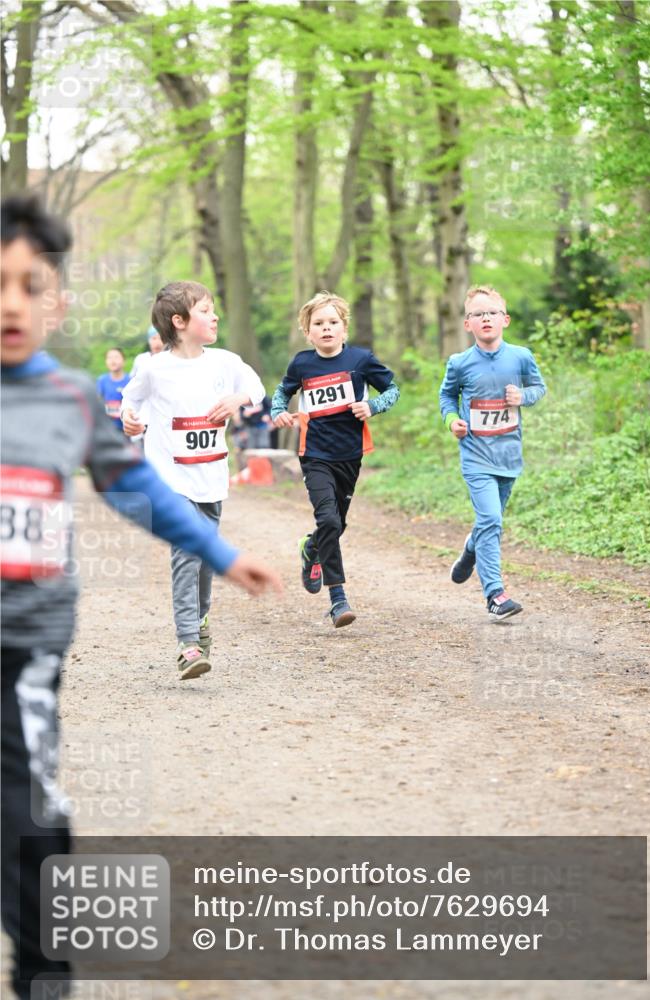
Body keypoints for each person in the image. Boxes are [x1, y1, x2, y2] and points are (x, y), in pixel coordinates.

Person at [0, 194, 281, 999]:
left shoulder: (72, 400)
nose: (12, 302)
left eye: (31, 285)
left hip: (27, 642)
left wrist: (221, 553)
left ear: (55, 303)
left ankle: (44, 971)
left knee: (31, 809)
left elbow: (137, 494)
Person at [121, 280, 267, 674]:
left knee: (204, 558)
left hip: (210, 478)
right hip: (170, 480)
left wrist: (238, 399)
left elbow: (256, 387)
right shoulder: (154, 369)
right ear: (179, 321)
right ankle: (187, 643)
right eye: (205, 310)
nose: (215, 315)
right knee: (186, 553)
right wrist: (129, 420)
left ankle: (201, 621)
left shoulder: (225, 362)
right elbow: (129, 402)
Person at [272, 290, 399, 627]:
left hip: (350, 454)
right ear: (307, 331)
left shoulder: (360, 360)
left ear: (344, 328)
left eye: (333, 322)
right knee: (328, 520)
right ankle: (338, 599)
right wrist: (278, 411)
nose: (326, 328)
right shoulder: (302, 363)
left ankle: (311, 548)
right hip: (314, 454)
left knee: (336, 524)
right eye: (318, 323)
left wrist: (372, 406)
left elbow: (392, 390)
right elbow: (283, 391)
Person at [439, 284, 546, 621]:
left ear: (505, 320)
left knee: (488, 522)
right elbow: (446, 399)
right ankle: (495, 595)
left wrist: (523, 398)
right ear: (467, 324)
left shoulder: (521, 356)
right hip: (475, 456)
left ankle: (471, 549)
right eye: (477, 314)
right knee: (492, 520)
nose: (485, 318)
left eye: (492, 313)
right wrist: (453, 420)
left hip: (509, 456)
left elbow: (539, 388)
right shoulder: (459, 363)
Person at [96, 346, 130, 430]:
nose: (113, 360)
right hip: (107, 430)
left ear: (124, 361)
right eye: (109, 357)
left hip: (127, 429)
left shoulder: (130, 381)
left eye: (116, 357)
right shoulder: (102, 380)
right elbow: (97, 403)